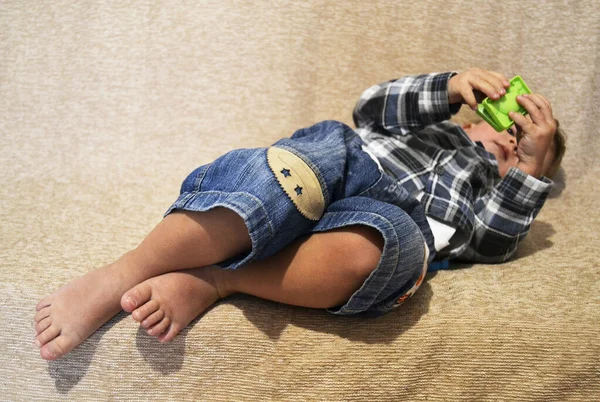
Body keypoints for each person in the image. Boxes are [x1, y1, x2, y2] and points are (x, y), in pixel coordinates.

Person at [33, 68, 565, 361]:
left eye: (517, 150)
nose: (508, 139)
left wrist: (530, 170)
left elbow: (492, 243)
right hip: (344, 164)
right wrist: (444, 89)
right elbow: (368, 108)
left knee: (373, 254)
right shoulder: (432, 121)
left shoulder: (490, 192)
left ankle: (217, 279)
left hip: (401, 221)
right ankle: (121, 274)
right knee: (290, 172)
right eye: (506, 129)